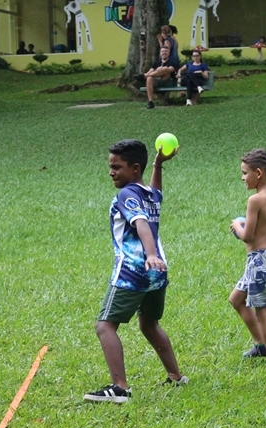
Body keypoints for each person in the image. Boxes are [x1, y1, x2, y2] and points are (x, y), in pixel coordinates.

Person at [84, 139, 188, 403]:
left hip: (133, 270)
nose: (111, 172)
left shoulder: (126, 194)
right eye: (110, 166)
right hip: (157, 273)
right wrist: (158, 165)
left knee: (105, 326)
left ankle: (120, 388)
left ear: (134, 168)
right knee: (149, 324)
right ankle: (176, 376)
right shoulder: (147, 193)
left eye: (117, 167)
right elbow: (156, 191)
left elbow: (140, 223)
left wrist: (149, 254)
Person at [229, 149, 266, 367]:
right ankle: (260, 345)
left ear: (258, 173)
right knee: (236, 299)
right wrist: (264, 238)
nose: (243, 177)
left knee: (264, 313)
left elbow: (248, 236)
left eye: (245, 173)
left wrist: (237, 226)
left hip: (259, 262)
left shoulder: (255, 200)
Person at [143, 44, 180, 108]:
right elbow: (150, 71)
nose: (164, 53)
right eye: (162, 51)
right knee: (149, 78)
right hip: (158, 81)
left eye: (166, 51)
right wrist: (149, 74)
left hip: (168, 81)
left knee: (165, 69)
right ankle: (150, 102)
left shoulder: (172, 62)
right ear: (160, 53)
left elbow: (170, 70)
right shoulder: (156, 62)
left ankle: (143, 76)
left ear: (169, 53)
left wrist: (161, 69)